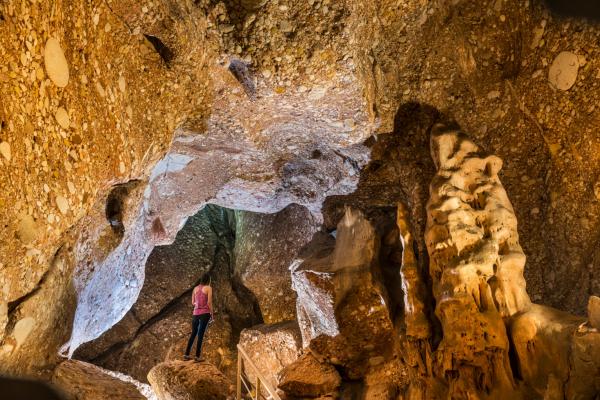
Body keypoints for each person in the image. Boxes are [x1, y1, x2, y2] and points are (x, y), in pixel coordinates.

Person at [184, 274, 213, 361]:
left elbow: (193, 302)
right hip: (205, 313)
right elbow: (209, 302)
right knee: (200, 334)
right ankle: (197, 357)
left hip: (195, 313)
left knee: (193, 333)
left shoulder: (195, 288)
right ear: (208, 280)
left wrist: (198, 304)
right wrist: (212, 314)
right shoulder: (208, 288)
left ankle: (186, 355)